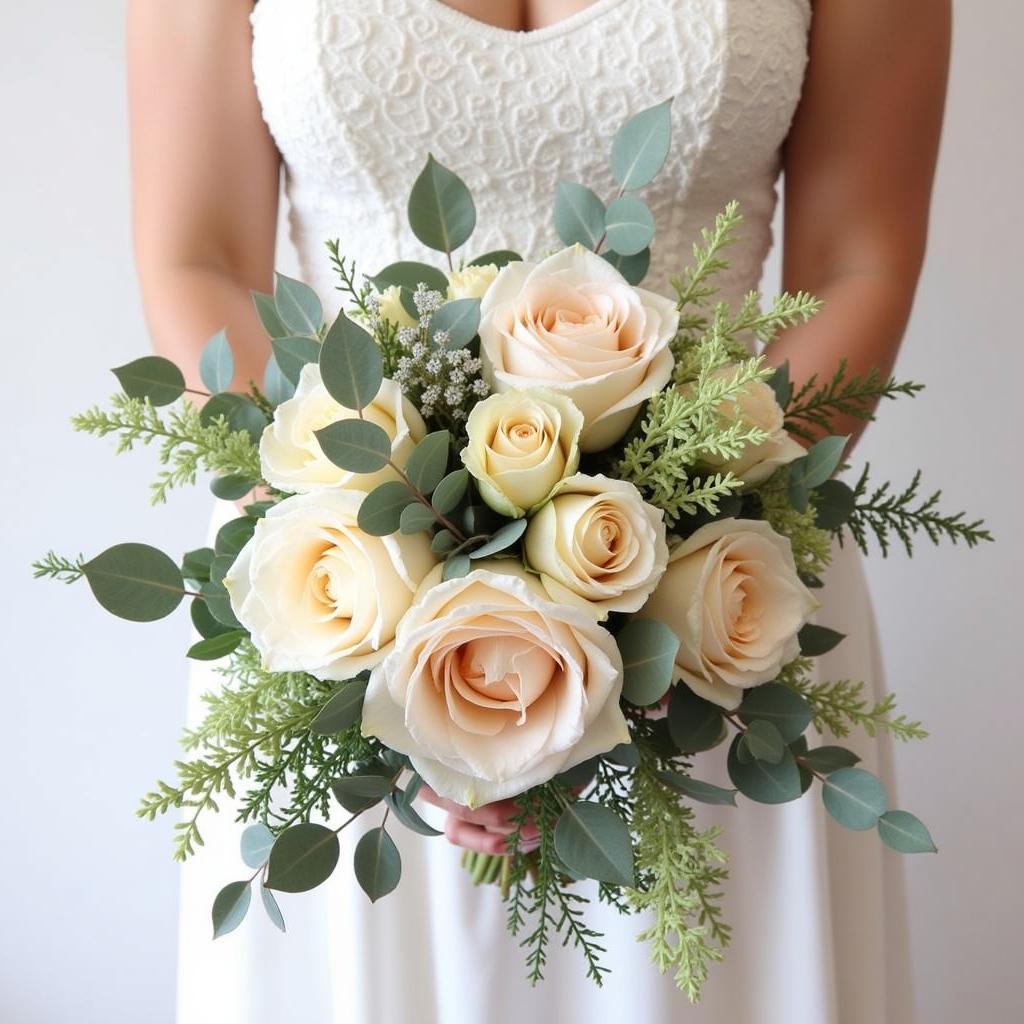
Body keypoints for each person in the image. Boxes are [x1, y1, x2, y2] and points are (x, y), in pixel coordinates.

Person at [127, 1, 949, 1021]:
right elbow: (196, 256)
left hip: (714, 605)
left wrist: (648, 598)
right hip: (338, 587)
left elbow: (856, 262)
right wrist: (399, 657)